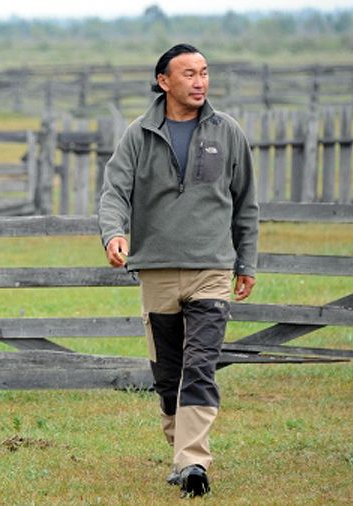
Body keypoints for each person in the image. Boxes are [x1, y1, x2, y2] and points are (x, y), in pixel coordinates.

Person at [98, 43, 259, 498]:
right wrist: (114, 234)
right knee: (169, 376)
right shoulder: (139, 134)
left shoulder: (227, 132)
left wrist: (245, 261)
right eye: (188, 73)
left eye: (205, 72)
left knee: (201, 366)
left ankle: (193, 463)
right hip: (157, 270)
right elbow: (114, 192)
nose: (200, 81)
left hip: (211, 268)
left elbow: (246, 203)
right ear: (164, 81)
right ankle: (181, 452)